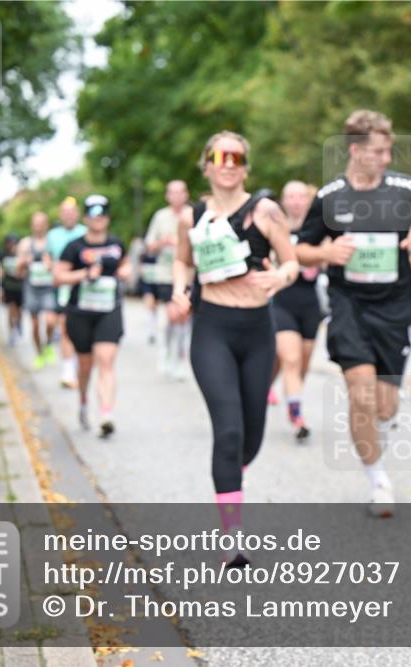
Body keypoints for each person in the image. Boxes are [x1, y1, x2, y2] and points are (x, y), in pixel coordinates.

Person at [295, 109, 411, 517]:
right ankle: (378, 480)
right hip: (348, 304)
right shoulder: (330, 197)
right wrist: (325, 251)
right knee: (361, 393)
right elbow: (301, 248)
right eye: (378, 151)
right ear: (355, 151)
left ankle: (382, 427)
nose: (386, 158)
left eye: (388, 150)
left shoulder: (405, 189)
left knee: (385, 407)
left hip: (394, 308)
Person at [172, 131, 298, 566]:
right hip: (212, 328)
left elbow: (292, 261)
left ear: (245, 166)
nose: (227, 162)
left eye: (236, 156)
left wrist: (280, 277)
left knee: (251, 436)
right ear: (205, 165)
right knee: (227, 431)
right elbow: (182, 259)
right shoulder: (193, 214)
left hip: (256, 330)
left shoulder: (264, 211)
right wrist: (178, 292)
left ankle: (230, 478)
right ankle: (232, 537)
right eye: (217, 155)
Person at [53, 195, 131, 438]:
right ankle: (84, 401)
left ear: (107, 218)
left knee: (106, 361)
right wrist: (85, 274)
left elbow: (126, 266)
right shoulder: (74, 246)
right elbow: (58, 276)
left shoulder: (117, 243)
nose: (98, 220)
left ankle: (105, 415)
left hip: (109, 310)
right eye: (93, 215)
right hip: (80, 312)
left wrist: (125, 272)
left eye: (102, 215)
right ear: (85, 218)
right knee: (85, 366)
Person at [270, 180, 323, 441]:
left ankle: (277, 388)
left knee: (300, 362)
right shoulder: (275, 227)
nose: (295, 201)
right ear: (283, 200)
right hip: (281, 301)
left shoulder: (318, 228)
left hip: (310, 302)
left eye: (300, 196)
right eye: (290, 196)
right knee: (290, 358)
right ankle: (297, 416)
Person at [143, 180, 191, 379]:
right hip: (165, 274)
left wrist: (182, 243)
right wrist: (165, 242)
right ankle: (165, 354)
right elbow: (149, 244)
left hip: (188, 274)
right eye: (172, 192)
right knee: (168, 319)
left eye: (180, 192)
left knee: (183, 318)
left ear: (186, 194)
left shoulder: (193, 214)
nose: (177, 196)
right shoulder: (160, 217)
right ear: (167, 195)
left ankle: (180, 360)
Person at [47, 196, 87, 388]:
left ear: (78, 214)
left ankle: (81, 367)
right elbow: (48, 257)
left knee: (82, 331)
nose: (69, 216)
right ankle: (68, 371)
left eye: (72, 212)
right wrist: (50, 268)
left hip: (85, 288)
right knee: (65, 328)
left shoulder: (85, 232)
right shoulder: (53, 235)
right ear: (61, 215)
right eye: (65, 212)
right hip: (62, 287)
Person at [17, 211, 59, 369]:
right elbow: (18, 272)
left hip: (48, 288)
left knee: (50, 322)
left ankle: (48, 344)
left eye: (41, 223)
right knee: (34, 326)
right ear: (32, 225)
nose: (39, 226)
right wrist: (23, 263)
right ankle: (39, 354)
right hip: (31, 288)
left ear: (46, 225)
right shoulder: (25, 244)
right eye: (36, 223)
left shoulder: (52, 243)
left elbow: (62, 267)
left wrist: (51, 265)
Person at [0, 233, 23, 344]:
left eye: (13, 243)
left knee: (19, 310)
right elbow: (0, 272)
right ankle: (12, 332)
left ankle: (18, 323)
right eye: (9, 243)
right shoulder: (3, 255)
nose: (12, 245)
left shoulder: (21, 255)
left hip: (21, 287)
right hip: (8, 287)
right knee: (11, 309)